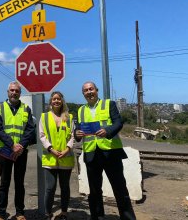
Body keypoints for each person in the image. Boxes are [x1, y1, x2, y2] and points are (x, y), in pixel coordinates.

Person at [75, 81, 136, 220]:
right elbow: (78, 129)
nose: (89, 92)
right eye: (86, 90)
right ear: (83, 94)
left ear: (97, 90)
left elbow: (118, 123)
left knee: (120, 189)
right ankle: (97, 217)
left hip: (110, 152)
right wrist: (76, 134)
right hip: (91, 154)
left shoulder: (109, 104)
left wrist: (107, 131)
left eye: (91, 89)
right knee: (95, 191)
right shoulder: (81, 110)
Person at [0, 81, 35, 220]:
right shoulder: (0, 108)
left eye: (17, 91)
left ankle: (20, 212)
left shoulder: (26, 109)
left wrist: (20, 145)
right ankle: (1, 213)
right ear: (7, 92)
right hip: (6, 151)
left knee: (19, 183)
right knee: (4, 183)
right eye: (12, 90)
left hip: (21, 152)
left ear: (20, 93)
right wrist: (12, 145)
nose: (14, 93)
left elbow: (30, 129)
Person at [39, 91, 75, 220]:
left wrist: (67, 149)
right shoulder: (44, 117)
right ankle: (48, 214)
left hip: (66, 158)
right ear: (50, 102)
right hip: (50, 158)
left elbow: (72, 136)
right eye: (54, 99)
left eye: (58, 99)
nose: (56, 101)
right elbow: (42, 135)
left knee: (65, 187)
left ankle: (64, 212)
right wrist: (51, 149)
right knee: (50, 188)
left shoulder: (69, 117)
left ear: (62, 101)